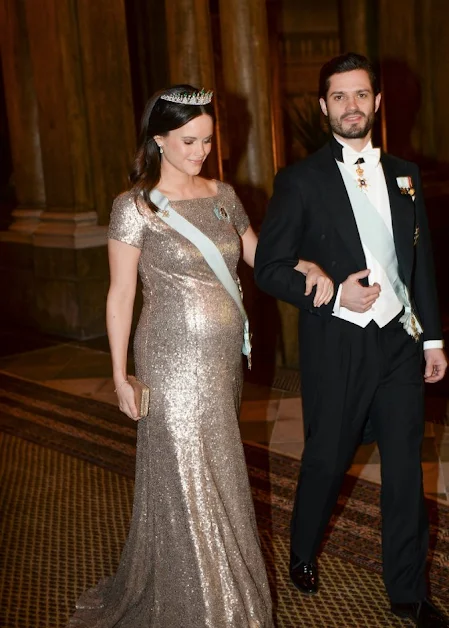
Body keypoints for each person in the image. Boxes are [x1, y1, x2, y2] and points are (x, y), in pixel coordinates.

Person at [66, 84, 332, 628]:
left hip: (222, 361)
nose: (200, 151)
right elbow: (120, 295)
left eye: (208, 140)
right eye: (189, 140)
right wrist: (119, 374)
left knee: (218, 466)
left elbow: (259, 255)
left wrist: (306, 265)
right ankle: (211, 609)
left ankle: (205, 591)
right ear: (159, 138)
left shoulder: (223, 195)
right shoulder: (134, 208)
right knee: (190, 473)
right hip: (169, 360)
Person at [254, 54, 448, 627]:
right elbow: (269, 267)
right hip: (337, 344)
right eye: (339, 97)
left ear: (378, 102)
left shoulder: (406, 174)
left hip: (399, 344)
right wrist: (336, 293)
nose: (351, 106)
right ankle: (302, 550)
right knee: (326, 458)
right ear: (323, 107)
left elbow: (422, 269)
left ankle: (408, 591)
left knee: (406, 469)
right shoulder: (299, 179)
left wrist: (434, 339)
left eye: (361, 95)